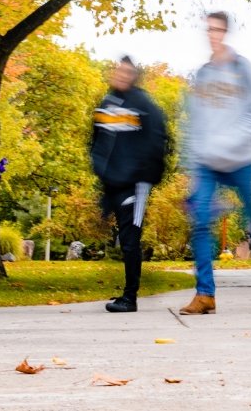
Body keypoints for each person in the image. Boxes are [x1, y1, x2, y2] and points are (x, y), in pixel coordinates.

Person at [179, 11, 251, 314]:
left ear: (225, 33)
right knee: (200, 224)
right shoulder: (204, 74)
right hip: (207, 162)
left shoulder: (242, 68)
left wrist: (232, 140)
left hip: (240, 160)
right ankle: (205, 294)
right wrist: (191, 161)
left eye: (218, 29)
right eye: (208, 29)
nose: (213, 34)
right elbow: (195, 120)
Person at [89, 54, 172, 313]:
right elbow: (95, 141)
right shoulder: (107, 104)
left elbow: (159, 142)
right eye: (118, 70)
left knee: (130, 239)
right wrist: (101, 171)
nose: (120, 75)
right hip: (112, 182)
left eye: (126, 72)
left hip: (135, 183)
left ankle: (130, 297)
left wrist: (144, 176)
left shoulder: (144, 105)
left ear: (133, 76)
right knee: (121, 239)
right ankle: (126, 291)